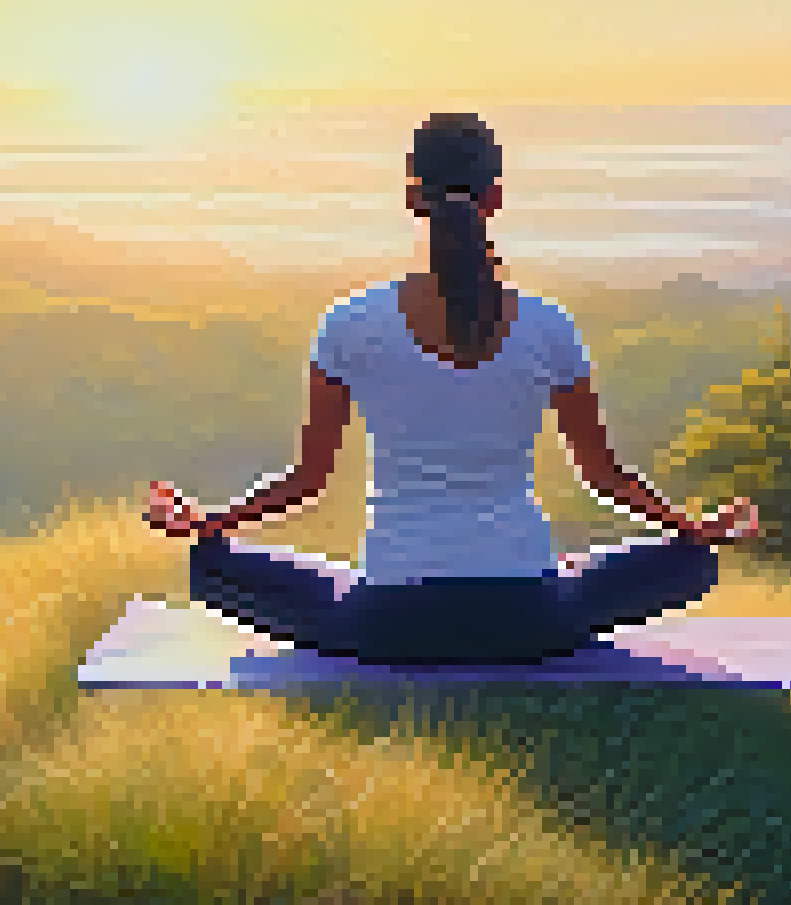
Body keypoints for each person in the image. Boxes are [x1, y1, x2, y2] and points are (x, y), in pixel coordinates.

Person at [144, 112, 759, 664]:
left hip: (390, 622)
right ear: (496, 196)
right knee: (685, 560)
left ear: (413, 198)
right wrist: (691, 527)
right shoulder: (550, 327)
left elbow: (309, 480)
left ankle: (534, 580)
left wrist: (210, 522)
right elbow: (604, 478)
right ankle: (576, 574)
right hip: (529, 618)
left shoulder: (350, 323)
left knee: (212, 565)